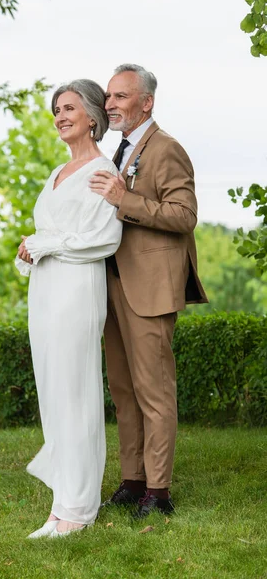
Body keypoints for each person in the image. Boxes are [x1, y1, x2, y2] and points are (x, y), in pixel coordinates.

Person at [89, 64, 208, 518]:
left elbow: (183, 215)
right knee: (122, 390)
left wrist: (125, 201)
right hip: (111, 284)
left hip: (150, 288)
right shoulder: (116, 152)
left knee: (153, 393)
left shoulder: (167, 149)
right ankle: (132, 480)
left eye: (120, 96)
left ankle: (158, 493)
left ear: (146, 102)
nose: (110, 104)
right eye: (108, 97)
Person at [15, 79, 122, 538]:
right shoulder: (56, 171)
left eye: (69, 108)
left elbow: (103, 239)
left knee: (76, 395)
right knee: (54, 395)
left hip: (77, 292)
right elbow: (50, 233)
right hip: (45, 293)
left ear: (93, 117)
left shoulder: (102, 171)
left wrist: (45, 243)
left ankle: (79, 508)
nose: (60, 116)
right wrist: (30, 250)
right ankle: (61, 506)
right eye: (56, 109)